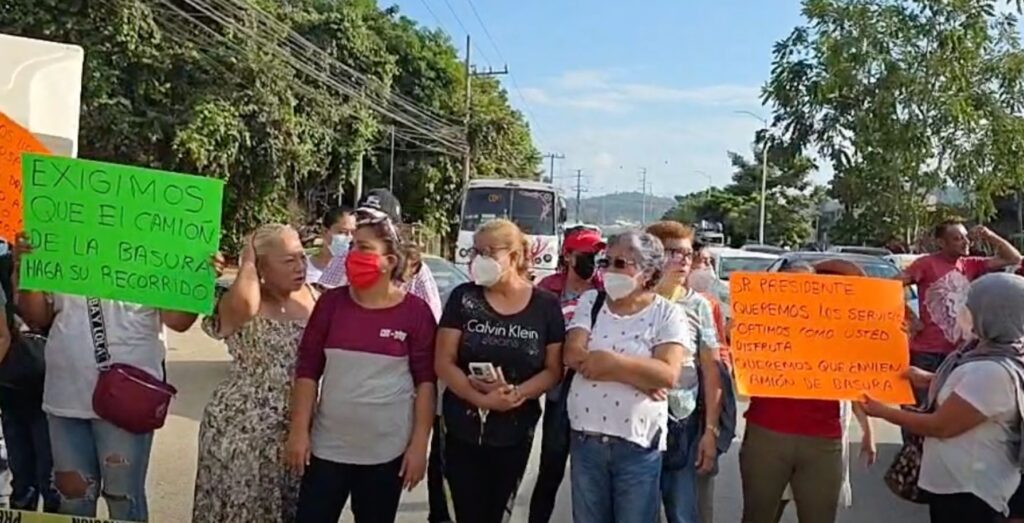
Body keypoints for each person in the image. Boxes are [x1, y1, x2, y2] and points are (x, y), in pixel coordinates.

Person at [13, 233, 200, 522]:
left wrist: (197, 278)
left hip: (128, 399)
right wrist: (26, 269)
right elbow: (37, 317)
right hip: (66, 395)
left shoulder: (156, 246)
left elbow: (179, 321)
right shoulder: (59, 237)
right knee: (73, 502)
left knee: (124, 501)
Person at [287, 209, 437, 523]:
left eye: (364, 248)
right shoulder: (330, 305)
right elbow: (308, 370)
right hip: (327, 449)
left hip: (386, 454)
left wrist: (419, 445)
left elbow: (425, 382)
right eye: (353, 246)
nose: (353, 254)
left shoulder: (416, 313)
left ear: (389, 261)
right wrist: (299, 432)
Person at [861, 272, 1024, 523]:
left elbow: (941, 426)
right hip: (960, 485)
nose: (962, 312)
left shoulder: (992, 372)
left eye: (970, 306)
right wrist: (929, 379)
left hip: (971, 493)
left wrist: (882, 411)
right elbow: (967, 389)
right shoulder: (991, 352)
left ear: (993, 314)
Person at [435, 219, 564, 523]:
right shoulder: (463, 298)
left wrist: (517, 394)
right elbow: (443, 361)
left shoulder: (545, 306)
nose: (479, 259)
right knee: (460, 513)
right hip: (460, 429)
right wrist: (480, 399)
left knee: (496, 513)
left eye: (489, 252)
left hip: (515, 430)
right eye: (476, 251)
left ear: (514, 256)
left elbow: (553, 370)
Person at [192, 224, 318, 523]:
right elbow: (247, 305)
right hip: (242, 429)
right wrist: (247, 261)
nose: (300, 267)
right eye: (288, 260)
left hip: (296, 427)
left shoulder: (314, 297)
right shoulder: (238, 297)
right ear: (262, 266)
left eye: (302, 257)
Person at [563, 230, 690, 523]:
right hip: (586, 440)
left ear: (649, 273)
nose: (609, 270)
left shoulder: (667, 314)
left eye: (620, 263)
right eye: (605, 262)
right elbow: (572, 353)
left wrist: (611, 363)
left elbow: (667, 375)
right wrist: (639, 375)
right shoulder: (592, 301)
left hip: (637, 446)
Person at [739, 259, 876, 523]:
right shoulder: (759, 322)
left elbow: (852, 380)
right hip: (766, 436)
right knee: (758, 516)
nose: (798, 291)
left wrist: (867, 430)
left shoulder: (837, 328)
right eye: (789, 284)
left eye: (807, 285)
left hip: (822, 441)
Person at [645, 221, 730, 523]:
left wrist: (710, 432)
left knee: (682, 512)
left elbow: (711, 370)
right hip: (638, 425)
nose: (684, 261)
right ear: (652, 255)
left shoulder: (699, 306)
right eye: (674, 253)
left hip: (683, 423)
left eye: (687, 253)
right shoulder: (632, 301)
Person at [528, 227, 605, 523]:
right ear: (568, 256)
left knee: (591, 476)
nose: (592, 261)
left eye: (597, 255)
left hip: (593, 385)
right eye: (586, 254)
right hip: (556, 386)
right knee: (551, 467)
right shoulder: (547, 290)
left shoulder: (605, 291)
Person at [902, 221, 1021, 404]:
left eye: (966, 237)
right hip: (927, 353)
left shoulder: (970, 264)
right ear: (941, 243)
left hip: (960, 353)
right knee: (922, 408)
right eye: (957, 239)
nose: (966, 242)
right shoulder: (926, 264)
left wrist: (989, 235)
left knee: (952, 408)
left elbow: (1013, 258)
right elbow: (889, 287)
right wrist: (909, 316)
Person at [0, 244, 58, 513]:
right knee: (22, 478)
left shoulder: (54, 260)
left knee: (50, 478)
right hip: (11, 387)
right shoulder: (6, 261)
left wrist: (23, 269)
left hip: (47, 384)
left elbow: (27, 319)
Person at [319, 189, 403, 290]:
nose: (364, 225)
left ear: (393, 230)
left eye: (373, 221)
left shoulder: (414, 272)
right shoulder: (342, 259)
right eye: (360, 218)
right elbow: (325, 293)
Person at [306, 206, 356, 284]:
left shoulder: (353, 272)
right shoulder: (302, 268)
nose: (349, 237)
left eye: (353, 233)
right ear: (325, 231)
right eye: (342, 232)